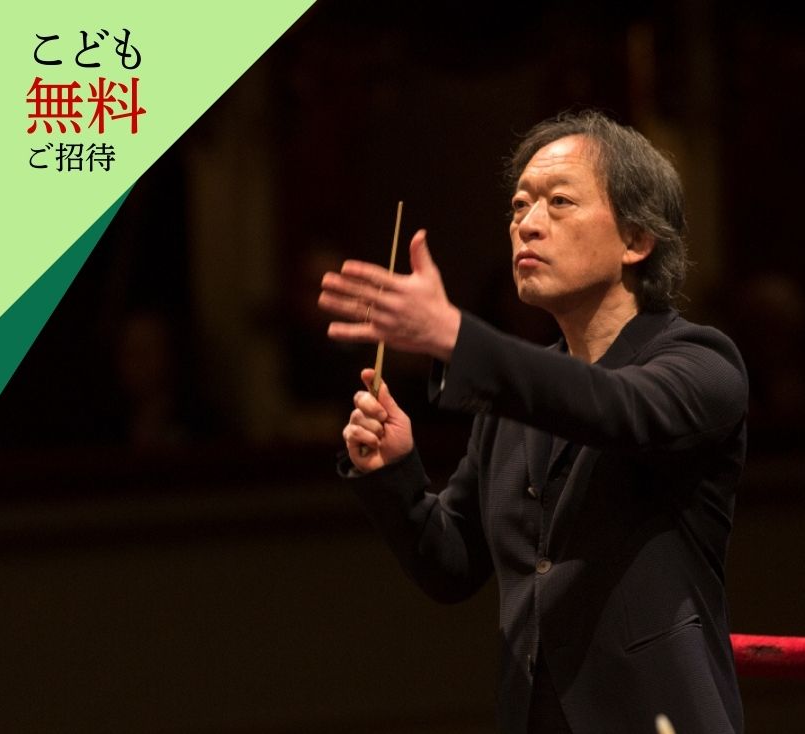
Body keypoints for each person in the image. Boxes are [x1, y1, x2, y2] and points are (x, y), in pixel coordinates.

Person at [318, 111, 748, 734]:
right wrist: (395, 471)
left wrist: (456, 336)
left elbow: (614, 407)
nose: (527, 223)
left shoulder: (702, 362)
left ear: (635, 240)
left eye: (559, 202)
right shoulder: (514, 405)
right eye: (519, 205)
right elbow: (451, 565)